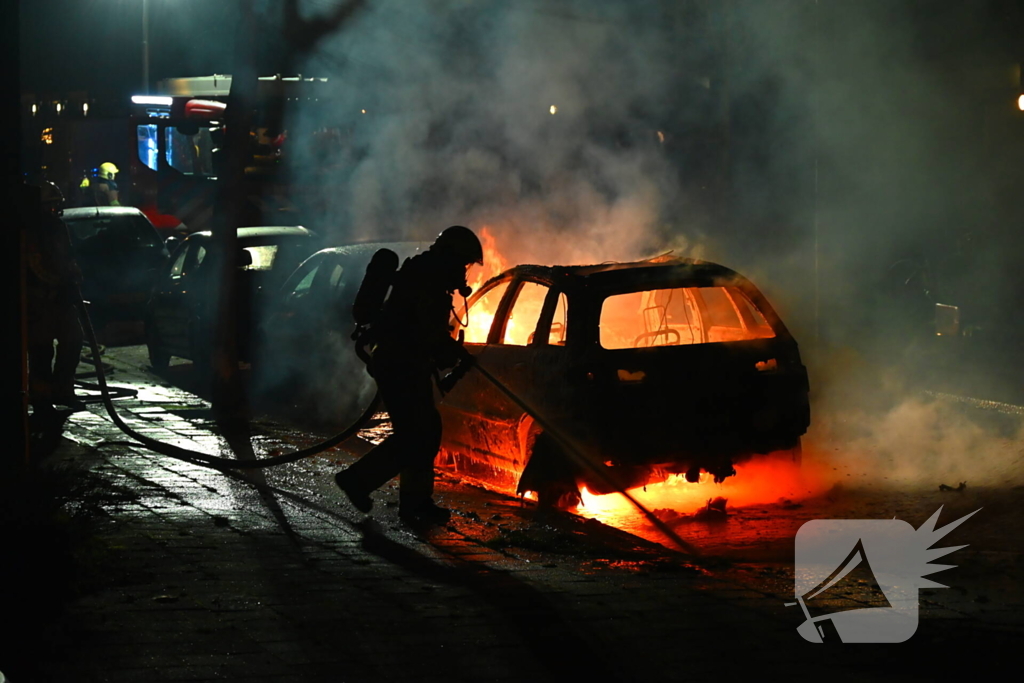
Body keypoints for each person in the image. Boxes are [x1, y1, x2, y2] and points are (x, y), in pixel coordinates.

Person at [335, 225, 484, 525]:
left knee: (424, 429)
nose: (464, 271)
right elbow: (426, 331)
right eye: (463, 262)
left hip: (403, 363)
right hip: (399, 364)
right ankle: (359, 481)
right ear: (450, 256)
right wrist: (454, 354)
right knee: (417, 433)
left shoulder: (428, 276)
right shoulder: (426, 281)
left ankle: (414, 502)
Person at [26, 182, 86, 414]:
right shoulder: (30, 231)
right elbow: (34, 264)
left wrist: (74, 273)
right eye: (50, 206)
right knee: (41, 350)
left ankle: (63, 390)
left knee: (73, 341)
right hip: (39, 300)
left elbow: (68, 256)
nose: (55, 210)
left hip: (61, 297)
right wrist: (56, 283)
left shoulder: (58, 227)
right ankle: (41, 397)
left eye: (56, 206)